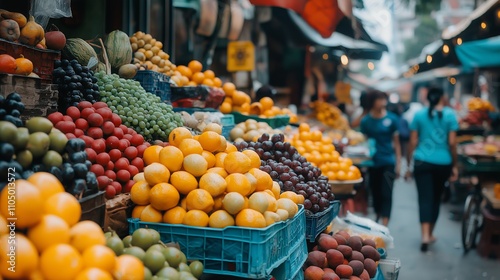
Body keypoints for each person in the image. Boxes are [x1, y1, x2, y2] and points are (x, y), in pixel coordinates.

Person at [405, 86, 459, 252]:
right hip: (443, 163)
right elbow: (452, 143)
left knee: (424, 198)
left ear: (428, 98)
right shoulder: (450, 115)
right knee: (436, 198)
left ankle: (425, 235)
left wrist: (408, 165)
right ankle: (431, 233)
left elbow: (412, 142)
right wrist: (455, 166)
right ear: (443, 97)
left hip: (422, 161)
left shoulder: (419, 115)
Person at [360, 90, 401, 226]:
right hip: (372, 163)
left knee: (387, 193)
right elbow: (363, 142)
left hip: (388, 162)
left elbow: (397, 143)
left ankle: (385, 224)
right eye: (379, 99)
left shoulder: (392, 119)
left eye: (384, 99)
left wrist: (399, 164)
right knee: (375, 192)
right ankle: (378, 215)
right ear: (372, 102)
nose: (382, 102)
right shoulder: (366, 121)